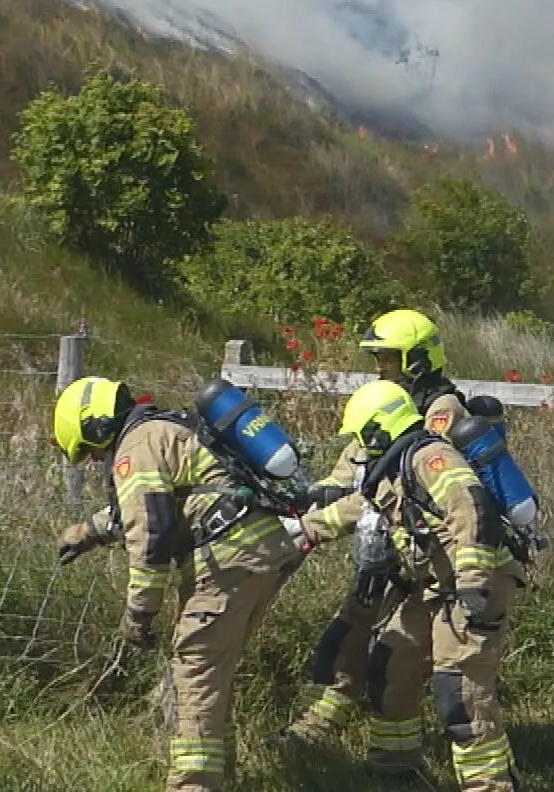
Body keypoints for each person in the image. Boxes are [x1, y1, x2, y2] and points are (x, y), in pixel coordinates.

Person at [51, 375, 304, 791]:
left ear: (97, 426)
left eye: (93, 451)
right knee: (213, 674)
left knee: (196, 672)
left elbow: (151, 536)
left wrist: (139, 615)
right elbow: (161, 505)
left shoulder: (135, 447)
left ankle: (194, 784)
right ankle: (223, 778)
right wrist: (87, 532)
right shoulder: (164, 429)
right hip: (261, 552)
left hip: (226, 563)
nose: (98, 460)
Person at [295, 379, 523, 791]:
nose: (360, 448)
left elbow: (470, 510)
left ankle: (488, 785)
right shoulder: (395, 467)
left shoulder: (431, 458)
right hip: (435, 589)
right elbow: (359, 507)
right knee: (390, 662)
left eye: (363, 437)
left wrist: (472, 583)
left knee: (460, 689)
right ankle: (394, 770)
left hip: (477, 585)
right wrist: (302, 530)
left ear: (380, 429)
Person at [277, 309, 472, 747]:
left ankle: (391, 755)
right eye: (380, 359)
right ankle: (319, 726)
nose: (382, 368)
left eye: (389, 359)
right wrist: (311, 497)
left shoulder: (442, 409)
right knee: (347, 635)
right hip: (377, 540)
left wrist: (324, 520)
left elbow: (414, 475)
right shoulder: (384, 404)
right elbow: (350, 466)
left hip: (419, 546)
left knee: (396, 653)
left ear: (418, 360)